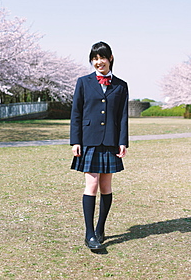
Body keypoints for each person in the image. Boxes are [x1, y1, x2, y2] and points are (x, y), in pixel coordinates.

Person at [70, 41, 129, 251]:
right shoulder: (83, 82)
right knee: (92, 185)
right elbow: (76, 113)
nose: (98, 62)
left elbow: (123, 116)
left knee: (106, 187)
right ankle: (89, 234)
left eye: (101, 57)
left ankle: (100, 228)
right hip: (89, 141)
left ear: (110, 58)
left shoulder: (121, 85)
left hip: (111, 141)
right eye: (94, 58)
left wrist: (123, 142)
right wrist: (75, 141)